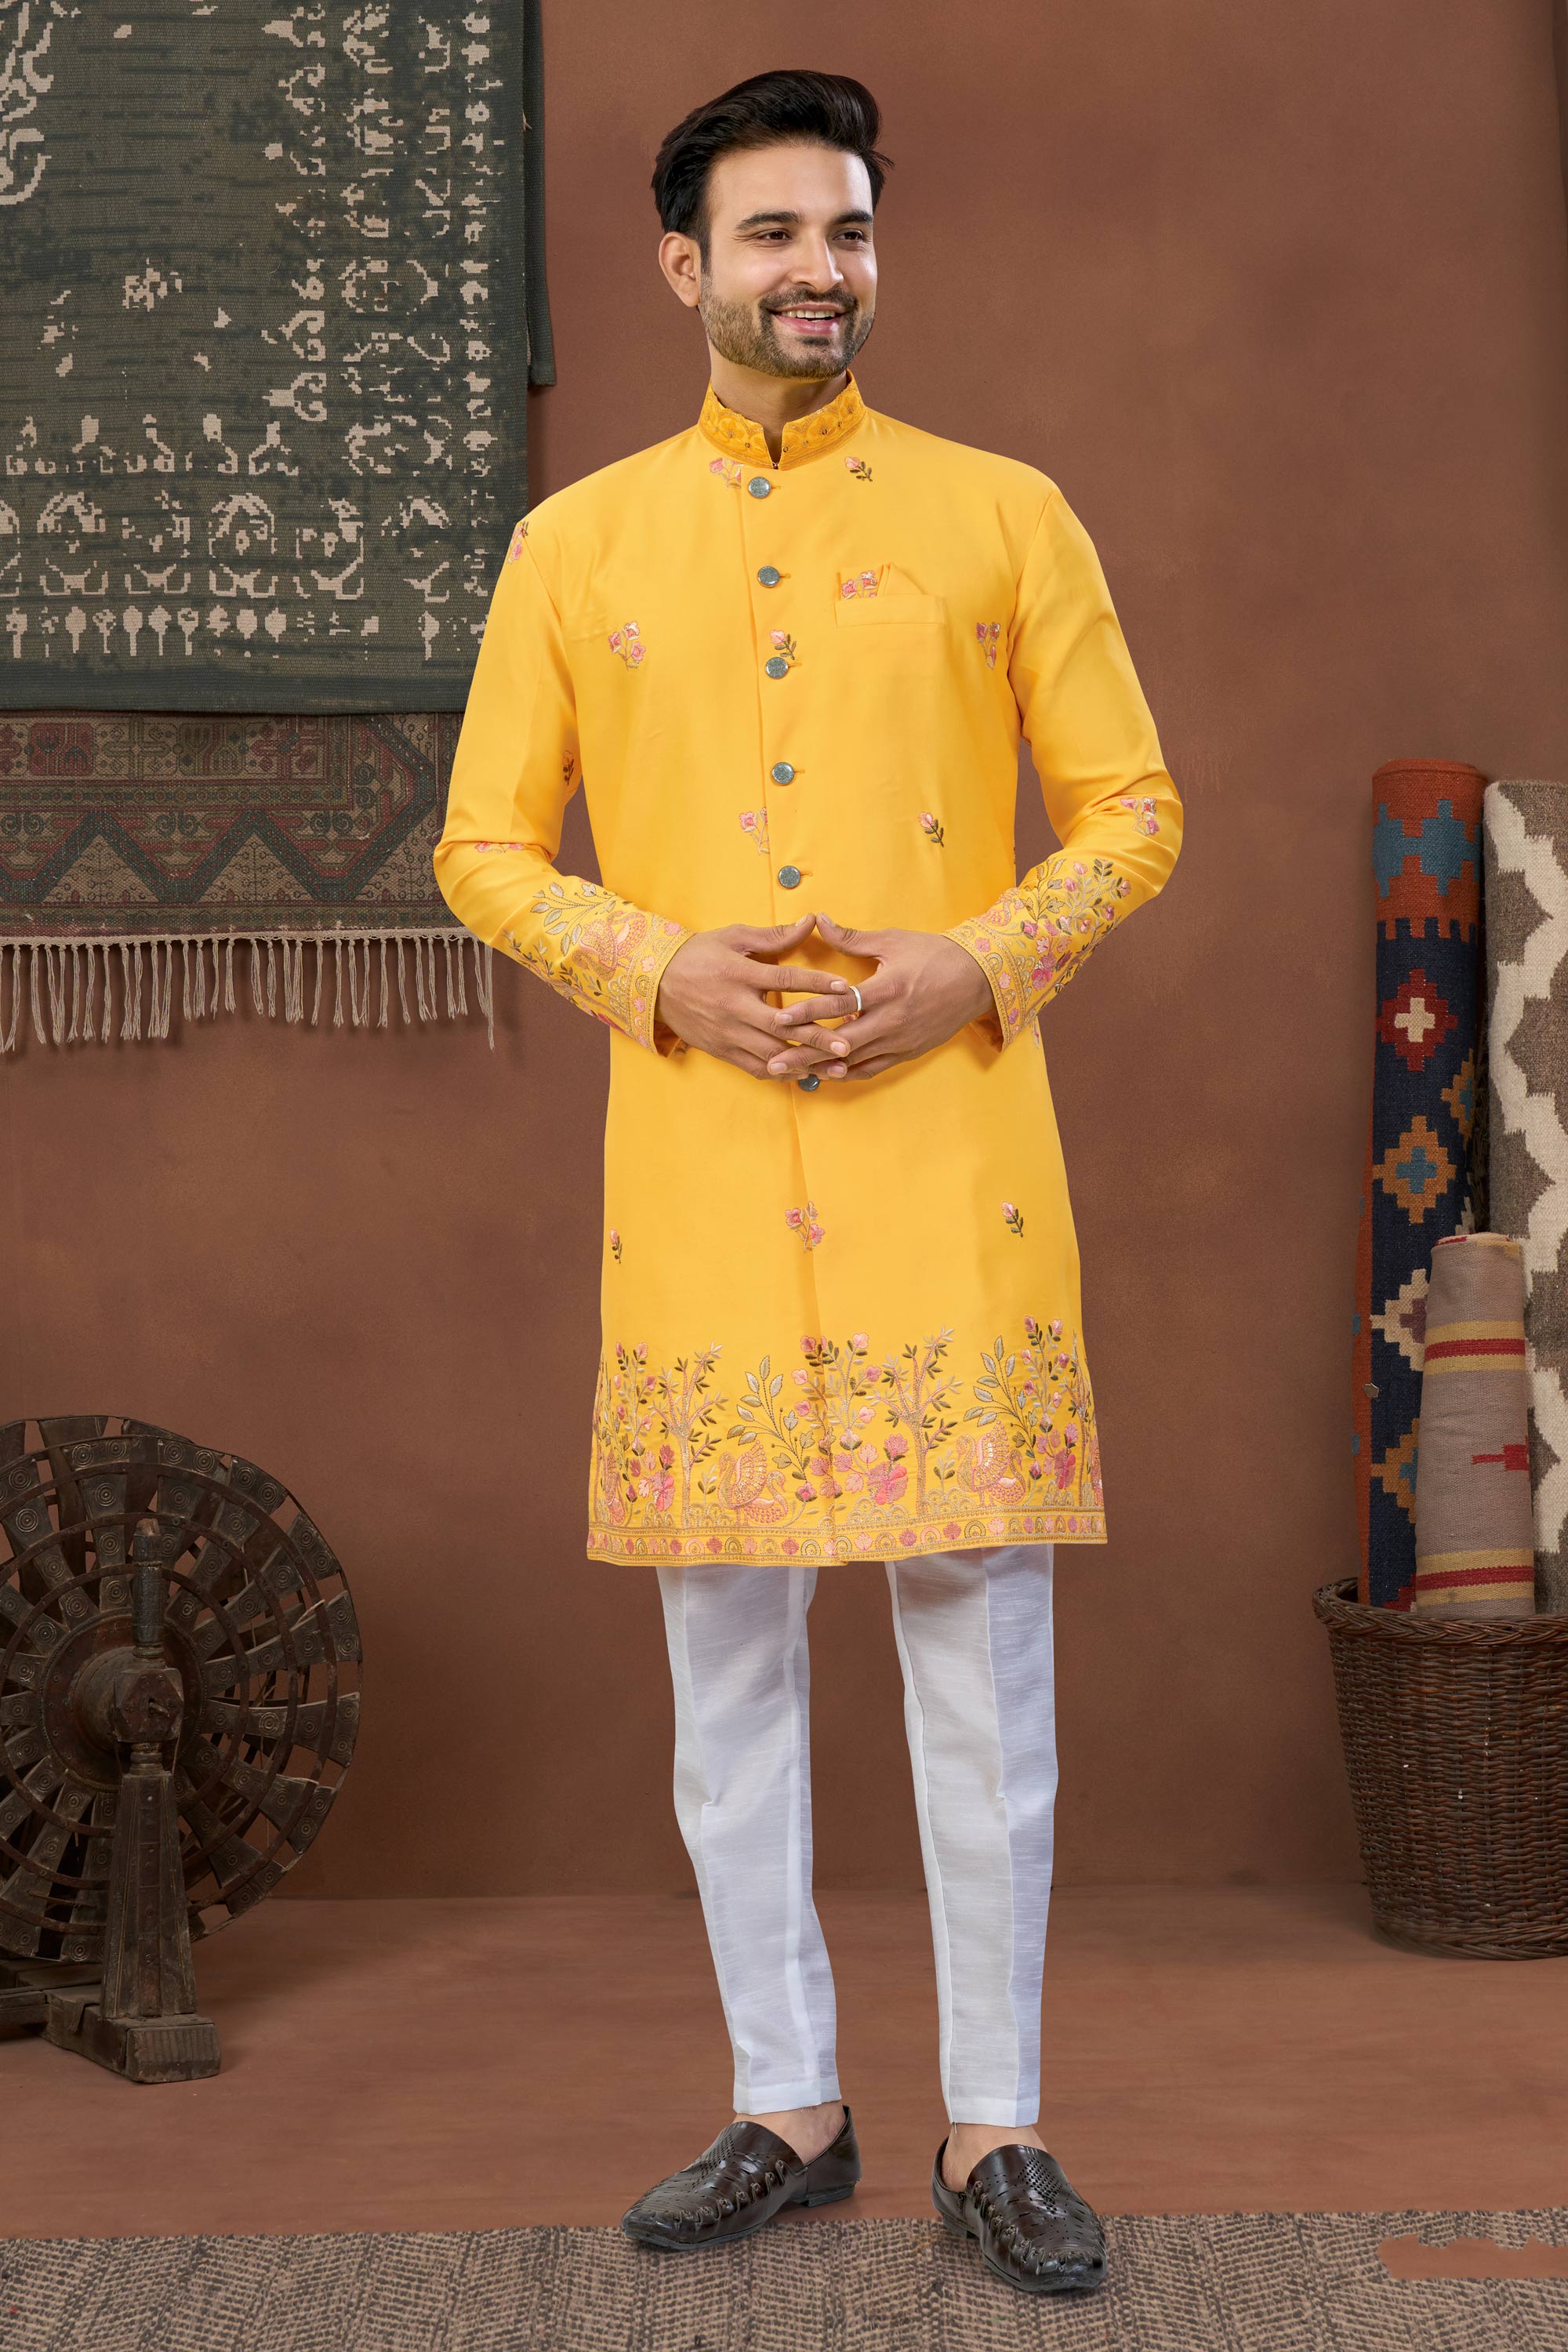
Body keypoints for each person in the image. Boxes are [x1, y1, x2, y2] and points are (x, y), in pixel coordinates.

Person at [434, 67, 1181, 2297]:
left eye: (845, 229)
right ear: (686, 265)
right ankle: (789, 2104)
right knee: (729, 1674)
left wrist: (980, 959)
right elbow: (482, 850)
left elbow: (1134, 812)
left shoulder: (1003, 517)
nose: (818, 270)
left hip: (951, 1161)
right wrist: (655, 966)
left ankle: (999, 2127)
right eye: (772, 234)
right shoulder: (578, 549)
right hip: (698, 1171)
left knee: (983, 1662)